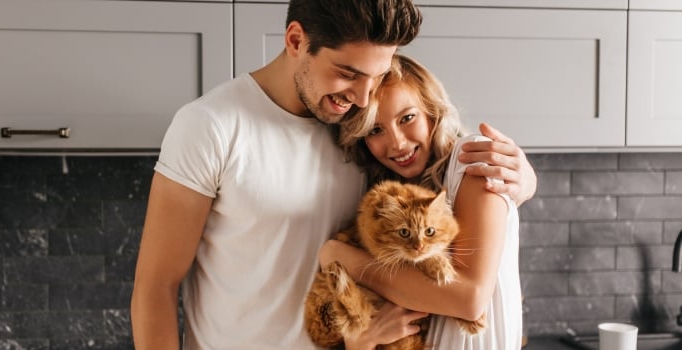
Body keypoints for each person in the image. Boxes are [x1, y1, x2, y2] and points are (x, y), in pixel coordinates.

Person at [130, 1, 536, 349]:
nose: (362, 97)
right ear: (295, 40)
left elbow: (430, 208)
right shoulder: (210, 126)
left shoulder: (361, 134)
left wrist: (521, 184)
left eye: (375, 77)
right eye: (348, 73)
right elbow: (156, 288)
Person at [320, 53, 523, 350]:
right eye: (376, 130)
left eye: (407, 118)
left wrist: (338, 255)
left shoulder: (473, 157)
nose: (398, 143)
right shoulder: (397, 195)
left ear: (432, 110)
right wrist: (359, 341)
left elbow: (469, 299)